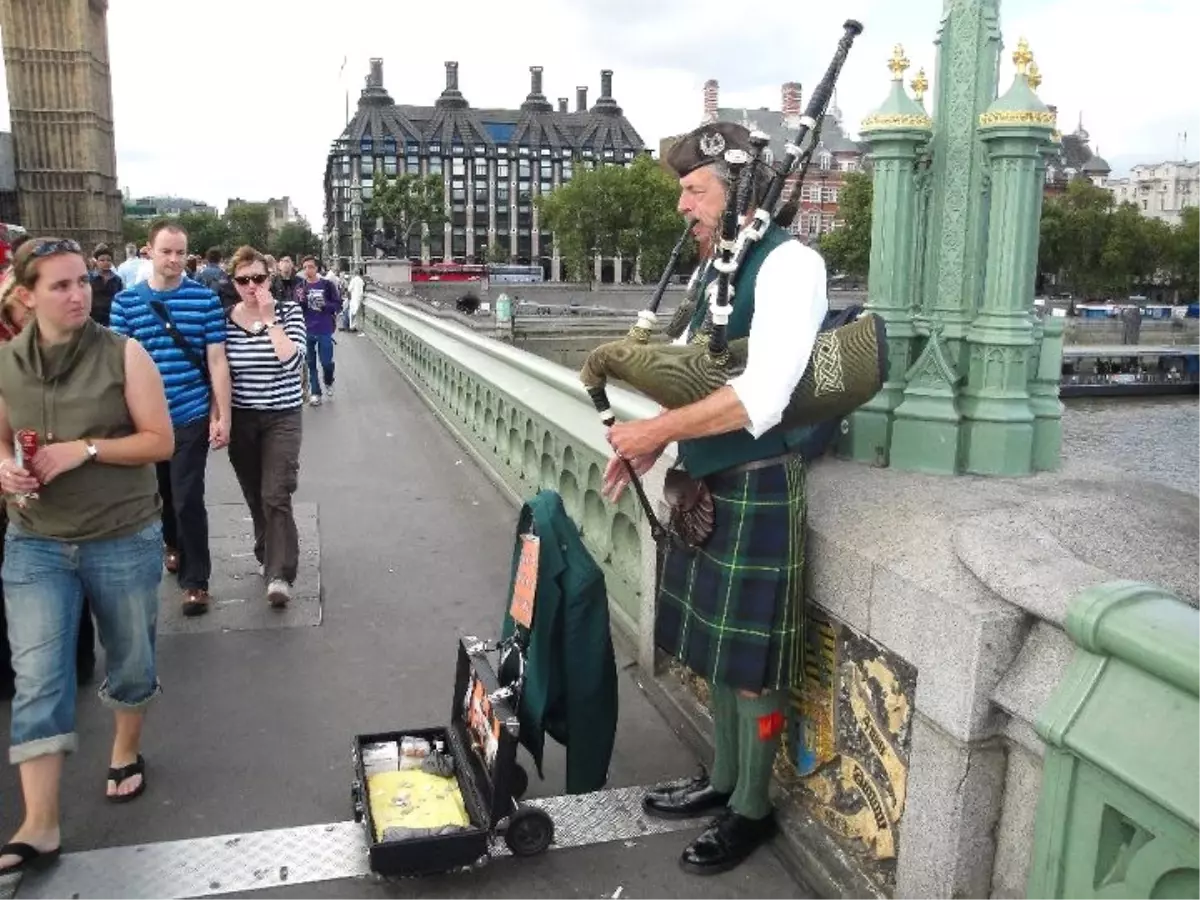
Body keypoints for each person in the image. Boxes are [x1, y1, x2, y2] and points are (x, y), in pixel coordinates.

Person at [602, 122, 828, 876]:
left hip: (759, 481)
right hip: (704, 481)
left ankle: (752, 810)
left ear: (742, 197)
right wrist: (655, 442)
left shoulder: (790, 266)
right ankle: (725, 778)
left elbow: (762, 398)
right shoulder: (717, 273)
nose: (681, 207)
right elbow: (699, 377)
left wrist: (656, 431)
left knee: (751, 665)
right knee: (719, 652)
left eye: (694, 191)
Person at [0, 237, 174, 874]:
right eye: (60, 286)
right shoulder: (4, 364)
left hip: (121, 534)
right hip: (36, 538)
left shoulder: (124, 354)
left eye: (81, 282)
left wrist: (85, 449)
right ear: (27, 297)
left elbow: (160, 440)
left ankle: (125, 748)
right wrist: (4, 469)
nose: (78, 294)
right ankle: (40, 823)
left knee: (130, 657)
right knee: (39, 676)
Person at [110, 220, 232, 617]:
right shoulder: (126, 303)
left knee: (187, 496)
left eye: (181, 252)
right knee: (161, 496)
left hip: (190, 412)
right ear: (149, 251)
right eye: (166, 251)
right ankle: (173, 544)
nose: (175, 259)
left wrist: (221, 414)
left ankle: (196, 582)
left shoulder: (205, 301)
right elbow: (120, 368)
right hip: (145, 420)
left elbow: (216, 360)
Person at [222, 246, 306, 607]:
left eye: (259, 278)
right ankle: (266, 550)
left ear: (269, 278)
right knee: (256, 495)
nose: (252, 286)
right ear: (234, 283)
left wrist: (271, 320)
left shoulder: (289, 312)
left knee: (276, 492)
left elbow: (293, 363)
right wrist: (219, 417)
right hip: (243, 418)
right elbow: (219, 372)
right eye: (244, 280)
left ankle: (280, 574)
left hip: (282, 416)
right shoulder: (225, 319)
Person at [299, 255, 341, 406]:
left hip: (324, 328)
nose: (307, 270)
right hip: (306, 328)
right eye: (305, 267)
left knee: (326, 362)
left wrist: (325, 305)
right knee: (310, 363)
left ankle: (329, 380)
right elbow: (296, 308)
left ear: (317, 268)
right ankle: (315, 393)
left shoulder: (327, 285)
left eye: (310, 267)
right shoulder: (301, 287)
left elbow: (337, 304)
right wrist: (301, 301)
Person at [347, 267, 365, 332]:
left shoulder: (353, 280)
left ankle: (351, 327)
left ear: (354, 273)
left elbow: (349, 289)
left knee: (351, 313)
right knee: (356, 313)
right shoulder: (361, 280)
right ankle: (354, 326)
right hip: (359, 298)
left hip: (354, 298)